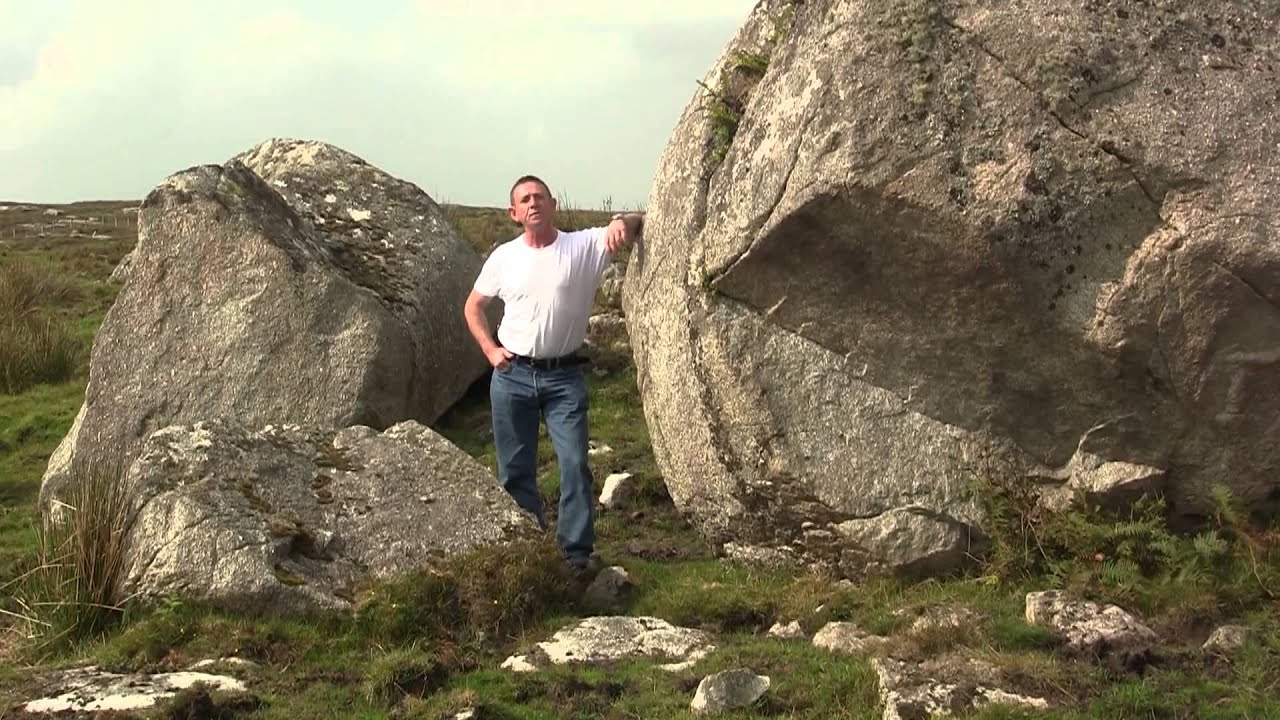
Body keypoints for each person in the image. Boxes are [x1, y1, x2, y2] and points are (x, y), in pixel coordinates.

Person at [463, 175, 643, 570]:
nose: (533, 203)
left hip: (563, 377)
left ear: (553, 203)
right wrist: (491, 351)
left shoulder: (582, 246)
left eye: (539, 197)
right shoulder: (504, 257)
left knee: (574, 463)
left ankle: (575, 557)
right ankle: (529, 554)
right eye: (524, 200)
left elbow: (634, 222)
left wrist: (619, 221)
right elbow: (473, 306)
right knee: (514, 472)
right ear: (514, 213)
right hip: (511, 375)